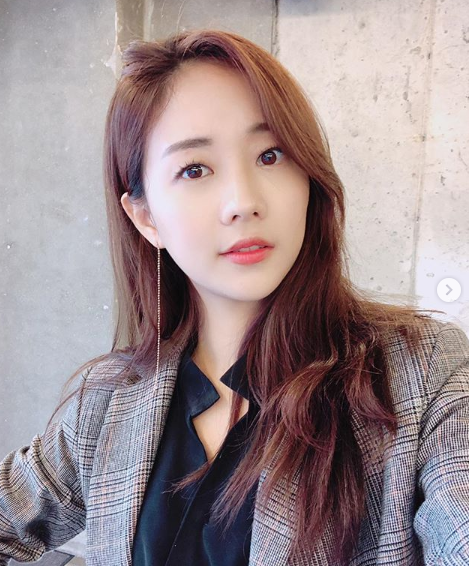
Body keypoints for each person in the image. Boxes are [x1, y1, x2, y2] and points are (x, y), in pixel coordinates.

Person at [1, 28, 468, 566]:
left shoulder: (421, 376)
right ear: (146, 218)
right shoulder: (108, 402)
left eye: (271, 154)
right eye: (194, 169)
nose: (243, 201)